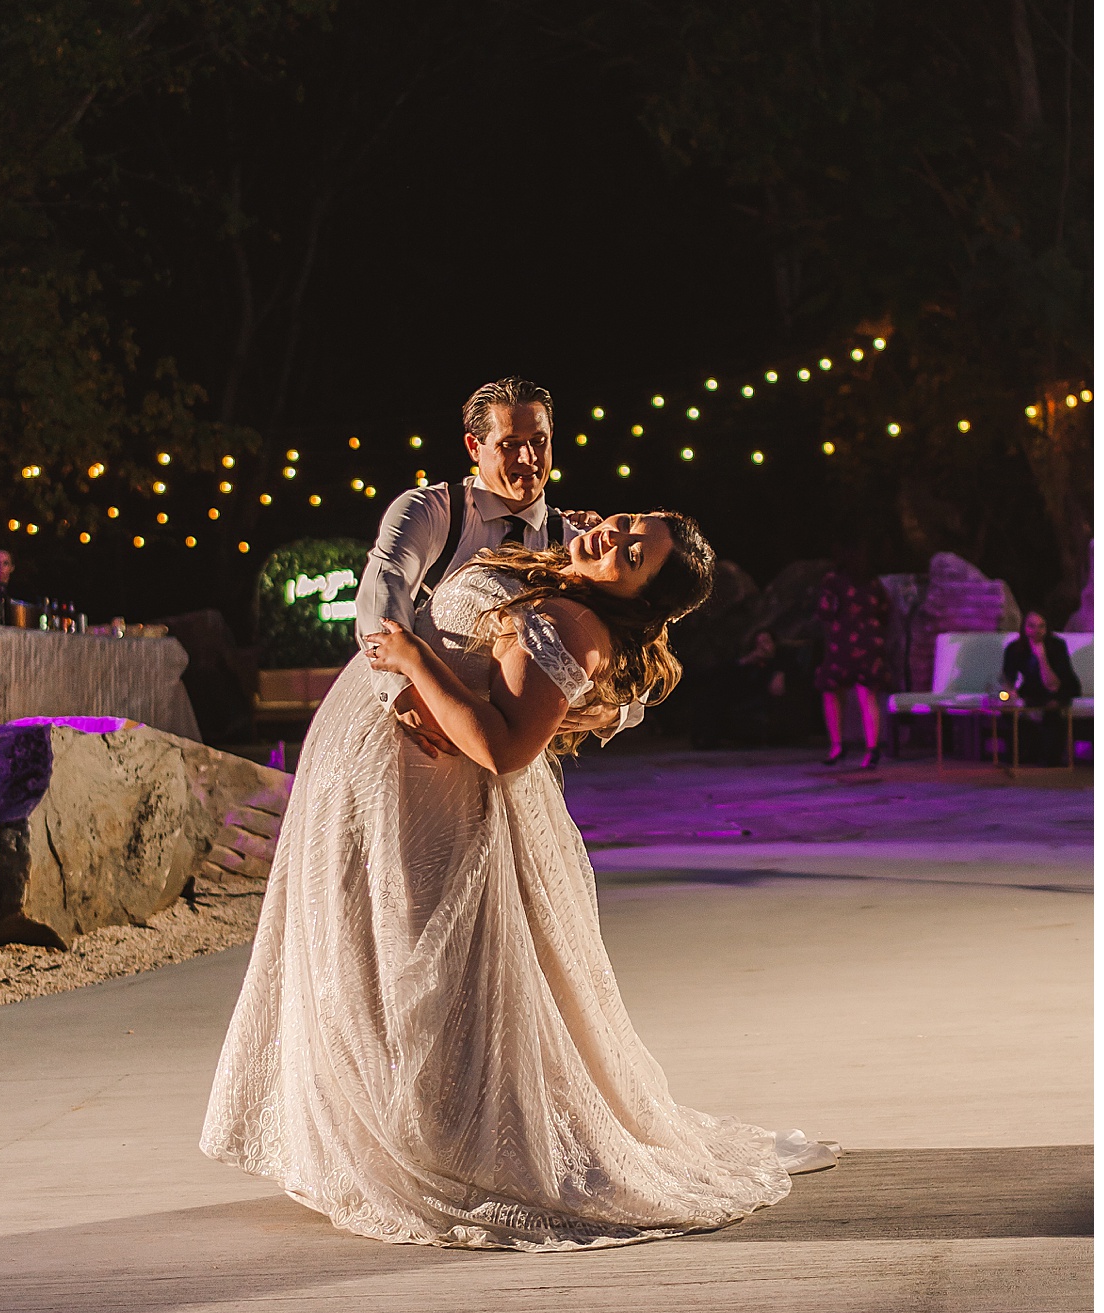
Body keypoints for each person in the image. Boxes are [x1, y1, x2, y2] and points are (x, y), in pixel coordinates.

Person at [201, 511, 839, 1251]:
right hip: (373, 792)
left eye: (633, 554)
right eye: (630, 524)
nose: (615, 536)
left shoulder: (574, 626)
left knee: (430, 975)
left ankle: (444, 1141)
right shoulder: (552, 569)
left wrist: (412, 658)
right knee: (364, 958)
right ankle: (384, 1123)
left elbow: (501, 748)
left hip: (431, 802)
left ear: (635, 595)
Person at [355, 377, 637, 754]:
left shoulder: (575, 539)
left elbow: (634, 630)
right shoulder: (430, 511)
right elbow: (383, 595)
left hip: (507, 741)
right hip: (415, 732)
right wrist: (404, 694)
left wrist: (616, 708)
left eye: (539, 442)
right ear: (475, 446)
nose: (528, 459)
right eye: (510, 445)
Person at [815, 551, 891, 770]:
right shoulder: (874, 583)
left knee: (831, 690)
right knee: (867, 695)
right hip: (870, 641)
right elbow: (886, 611)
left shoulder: (833, 580)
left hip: (843, 640)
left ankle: (837, 745)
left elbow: (825, 610)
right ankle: (872, 748)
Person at [1000, 611, 1082, 767]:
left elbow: (1053, 686)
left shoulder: (1057, 646)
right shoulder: (1014, 648)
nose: (1036, 631)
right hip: (1033, 689)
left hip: (1061, 688)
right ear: (1024, 628)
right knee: (1008, 711)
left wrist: (1042, 657)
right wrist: (1008, 694)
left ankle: (1051, 757)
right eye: (1031, 626)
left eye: (1041, 626)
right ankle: (1021, 754)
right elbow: (1007, 680)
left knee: (1052, 709)